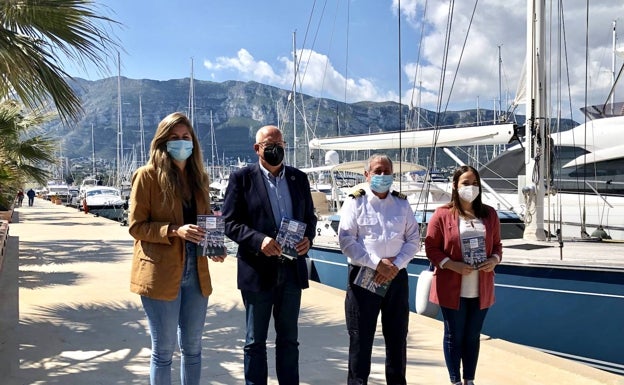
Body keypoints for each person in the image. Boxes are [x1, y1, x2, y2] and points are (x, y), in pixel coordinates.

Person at [128, 112, 226, 385]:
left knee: (193, 349)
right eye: (174, 138)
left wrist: (214, 245)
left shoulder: (200, 180)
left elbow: (205, 221)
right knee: (163, 351)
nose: (181, 142)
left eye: (186, 137)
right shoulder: (146, 177)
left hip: (196, 271)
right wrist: (174, 231)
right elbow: (136, 227)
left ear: (193, 142)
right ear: (162, 142)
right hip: (160, 274)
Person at [221, 125, 317, 385]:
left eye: (280, 143)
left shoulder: (299, 179)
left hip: (291, 271)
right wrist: (259, 240)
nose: (276, 148)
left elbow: (310, 218)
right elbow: (229, 223)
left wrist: (309, 238)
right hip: (257, 271)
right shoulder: (241, 178)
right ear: (257, 149)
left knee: (289, 340)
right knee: (255, 341)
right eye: (269, 144)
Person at [338, 153, 420, 385]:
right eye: (377, 171)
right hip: (365, 276)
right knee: (360, 340)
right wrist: (377, 263)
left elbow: (413, 239)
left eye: (387, 171)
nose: (383, 176)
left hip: (396, 277)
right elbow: (346, 241)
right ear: (367, 175)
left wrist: (396, 264)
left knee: (397, 339)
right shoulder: (355, 201)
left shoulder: (402, 203)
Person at [424, 165, 502, 385]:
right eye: (466, 183)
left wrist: (494, 260)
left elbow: (497, 246)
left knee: (472, 336)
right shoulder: (442, 214)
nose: (471, 187)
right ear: (455, 186)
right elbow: (431, 249)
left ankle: (469, 380)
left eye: (475, 183)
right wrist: (451, 265)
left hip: (481, 287)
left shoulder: (489, 214)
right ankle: (455, 380)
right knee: (454, 335)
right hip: (452, 287)